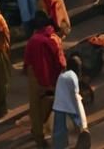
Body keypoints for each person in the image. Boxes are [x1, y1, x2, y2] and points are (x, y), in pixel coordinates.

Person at [24, 12, 64, 147]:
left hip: (34, 75)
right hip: (51, 76)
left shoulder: (33, 40)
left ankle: (38, 134)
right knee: (50, 101)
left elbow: (27, 60)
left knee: (35, 105)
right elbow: (60, 62)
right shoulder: (54, 38)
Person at [50, 54, 86, 149]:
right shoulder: (73, 77)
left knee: (59, 132)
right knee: (78, 127)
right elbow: (75, 96)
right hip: (69, 106)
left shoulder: (63, 75)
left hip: (58, 106)